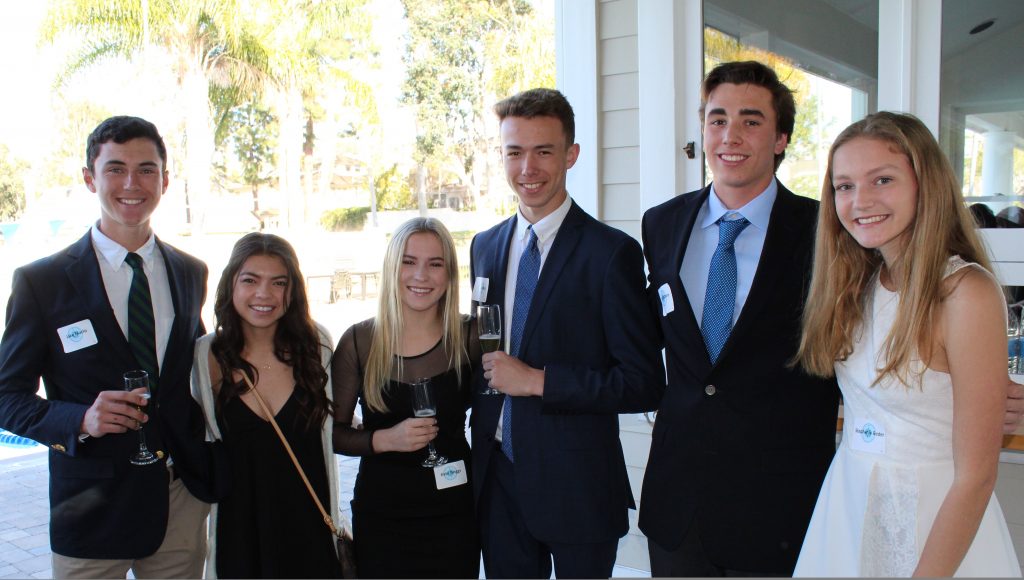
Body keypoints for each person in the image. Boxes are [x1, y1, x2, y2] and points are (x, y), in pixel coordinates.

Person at [638, 61, 1024, 577]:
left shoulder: (830, 241)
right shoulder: (662, 224)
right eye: (717, 119)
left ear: (781, 138)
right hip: (685, 504)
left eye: (751, 120)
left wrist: (994, 397)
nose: (731, 135)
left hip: (787, 512)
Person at [792, 112, 1021, 577]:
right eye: (844, 186)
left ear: (926, 184)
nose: (861, 200)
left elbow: (976, 476)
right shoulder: (863, 282)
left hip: (936, 524)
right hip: (848, 505)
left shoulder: (963, 292)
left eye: (883, 179)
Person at [0, 116, 215, 578]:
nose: (131, 183)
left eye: (146, 169)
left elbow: (192, 370)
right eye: (115, 168)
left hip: (178, 498)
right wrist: (79, 418)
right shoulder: (43, 282)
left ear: (165, 179)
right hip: (92, 506)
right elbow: (6, 397)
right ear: (88, 178)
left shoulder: (189, 272)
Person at [472, 88, 665, 579]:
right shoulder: (484, 246)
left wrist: (538, 381)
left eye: (544, 151)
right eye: (515, 152)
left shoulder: (610, 254)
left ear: (571, 154)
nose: (527, 168)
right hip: (499, 481)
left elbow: (641, 381)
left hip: (578, 486)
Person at [332, 217, 481, 579]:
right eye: (409, 262)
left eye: (435, 264)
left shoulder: (470, 336)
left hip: (455, 511)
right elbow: (330, 433)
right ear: (392, 267)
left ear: (449, 274)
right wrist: (384, 439)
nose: (421, 276)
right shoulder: (359, 342)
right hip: (383, 513)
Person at [191, 232, 343, 578]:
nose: (264, 294)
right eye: (250, 280)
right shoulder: (207, 355)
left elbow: (331, 432)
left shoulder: (316, 345)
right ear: (231, 285)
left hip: (309, 532)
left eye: (279, 282)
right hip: (240, 534)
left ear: (294, 290)